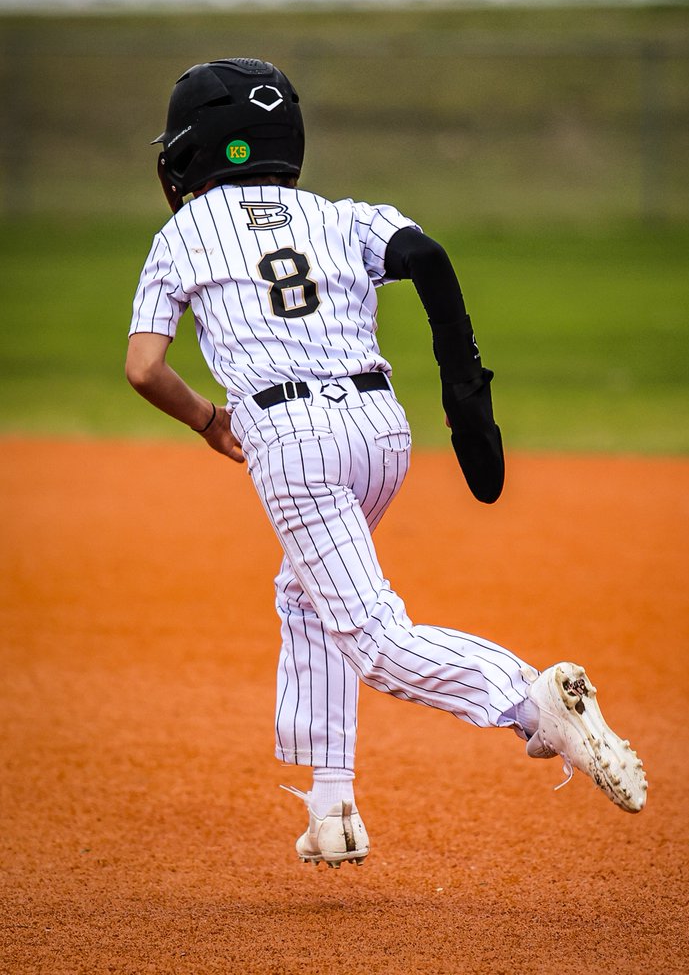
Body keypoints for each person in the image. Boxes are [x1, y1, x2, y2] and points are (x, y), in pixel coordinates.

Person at [126, 57, 647, 868]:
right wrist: (466, 391)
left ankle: (531, 702)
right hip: (381, 432)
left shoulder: (181, 234)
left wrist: (203, 419)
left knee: (372, 636)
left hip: (291, 441)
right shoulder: (341, 215)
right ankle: (331, 809)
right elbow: (427, 256)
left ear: (198, 151)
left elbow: (144, 367)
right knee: (305, 595)